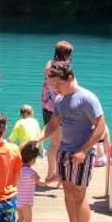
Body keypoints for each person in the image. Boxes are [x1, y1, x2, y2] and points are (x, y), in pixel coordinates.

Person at [29, 61, 105, 222]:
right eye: (53, 85)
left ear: (69, 78)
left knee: (79, 194)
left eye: (58, 84)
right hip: (65, 151)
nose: (55, 88)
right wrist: (38, 139)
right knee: (68, 191)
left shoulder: (87, 99)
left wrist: (84, 151)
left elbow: (100, 128)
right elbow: (54, 124)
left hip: (82, 154)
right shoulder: (60, 100)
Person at [39, 41, 73, 184]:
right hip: (59, 109)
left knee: (55, 143)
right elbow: (65, 89)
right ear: (65, 54)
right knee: (57, 144)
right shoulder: (63, 68)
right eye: (70, 54)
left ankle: (53, 174)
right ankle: (55, 175)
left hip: (47, 106)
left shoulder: (49, 64)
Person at [15, 143, 42, 222]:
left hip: (17, 200)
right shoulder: (31, 172)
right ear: (32, 159)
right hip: (26, 202)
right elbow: (41, 182)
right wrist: (53, 179)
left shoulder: (17, 170)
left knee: (20, 218)